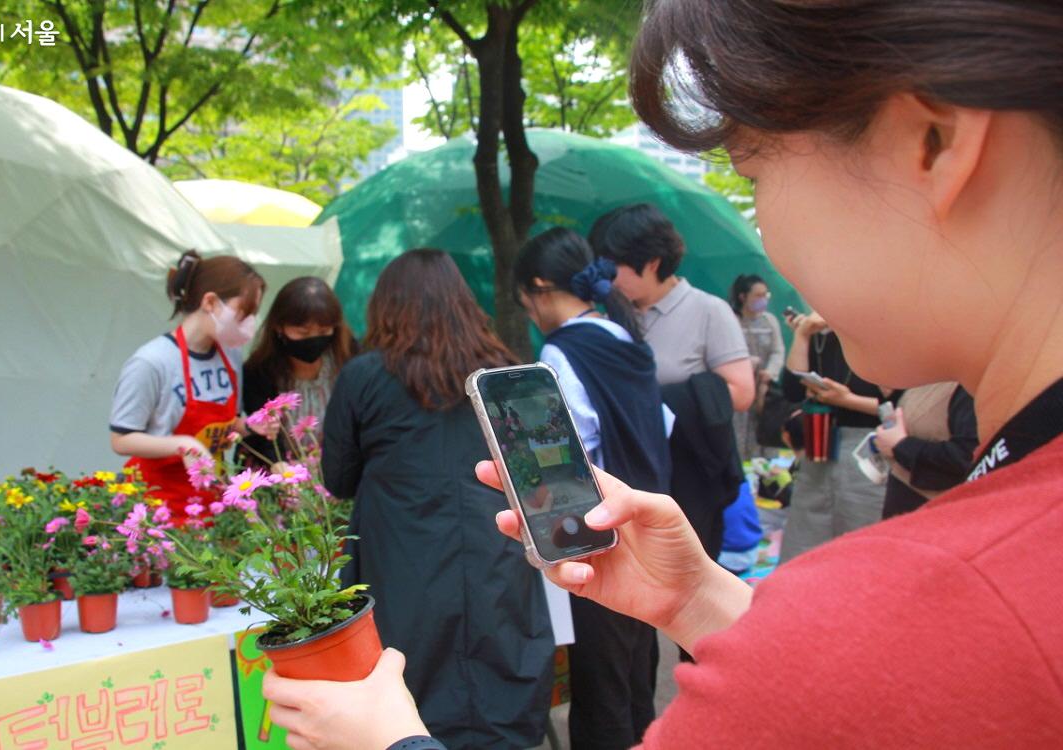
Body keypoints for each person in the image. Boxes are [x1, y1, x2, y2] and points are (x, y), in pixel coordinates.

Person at [262, 1, 1063, 748]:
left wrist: (391, 741)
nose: (763, 226)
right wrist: (703, 602)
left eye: (753, 171)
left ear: (933, 141)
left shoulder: (912, 605)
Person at [319, 249, 553, 748]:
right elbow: (535, 473)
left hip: (402, 553)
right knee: (500, 665)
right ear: (463, 302)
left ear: (386, 306)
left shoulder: (364, 375)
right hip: (497, 546)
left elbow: (337, 477)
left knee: (409, 674)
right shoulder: (504, 371)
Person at [515, 227, 670, 750]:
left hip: (599, 538)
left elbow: (567, 455)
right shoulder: (626, 338)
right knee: (634, 678)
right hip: (646, 526)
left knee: (601, 689)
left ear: (538, 286)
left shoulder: (562, 354)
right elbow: (661, 423)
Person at [109, 250, 263, 516]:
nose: (250, 323)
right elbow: (121, 439)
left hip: (212, 504)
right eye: (244, 313)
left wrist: (251, 425)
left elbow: (226, 427)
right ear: (211, 303)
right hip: (158, 507)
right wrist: (184, 446)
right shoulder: (151, 362)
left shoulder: (230, 355)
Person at [588, 203, 755, 412]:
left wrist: (660, 402)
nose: (605, 276)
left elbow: (742, 394)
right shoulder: (610, 315)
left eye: (613, 267)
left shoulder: (709, 311)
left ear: (652, 263)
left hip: (682, 443)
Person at [778, 315, 891, 562]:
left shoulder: (885, 335)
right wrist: (802, 335)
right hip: (820, 448)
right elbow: (792, 390)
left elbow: (896, 409)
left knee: (861, 547)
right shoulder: (820, 334)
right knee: (803, 545)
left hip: (869, 453)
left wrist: (847, 400)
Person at [240, 277, 356, 465]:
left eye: (324, 331)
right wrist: (284, 470)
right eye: (303, 333)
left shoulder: (349, 359)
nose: (314, 339)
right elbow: (264, 440)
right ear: (279, 327)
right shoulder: (258, 373)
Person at [873, 383, 978, 519]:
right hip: (902, 502)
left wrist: (901, 445)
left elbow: (967, 457)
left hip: (936, 511)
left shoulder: (967, 391)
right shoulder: (928, 377)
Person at [729, 274, 785, 459]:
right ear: (743, 297)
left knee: (766, 432)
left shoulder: (769, 321)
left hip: (764, 388)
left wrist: (770, 372)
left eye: (765, 295)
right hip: (739, 387)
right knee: (738, 433)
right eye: (758, 295)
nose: (763, 300)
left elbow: (778, 351)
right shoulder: (731, 321)